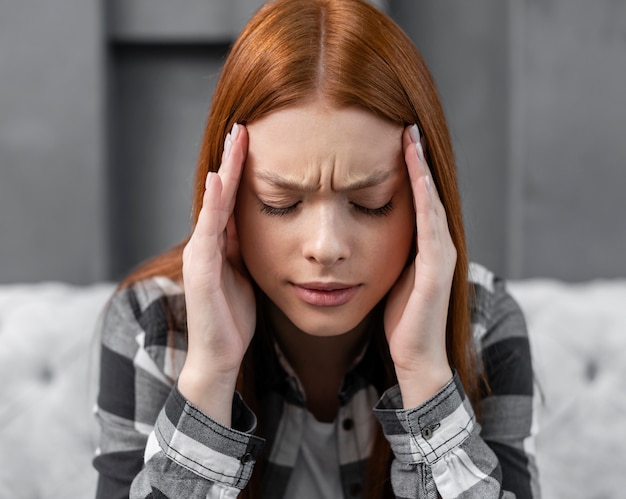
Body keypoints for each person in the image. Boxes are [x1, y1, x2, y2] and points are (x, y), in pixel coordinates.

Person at [93, 0, 539, 497]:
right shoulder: (153, 328)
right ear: (228, 198)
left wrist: (426, 377)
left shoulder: (483, 327)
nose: (326, 248)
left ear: (423, 201)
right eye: (280, 202)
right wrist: (209, 378)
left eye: (371, 203)